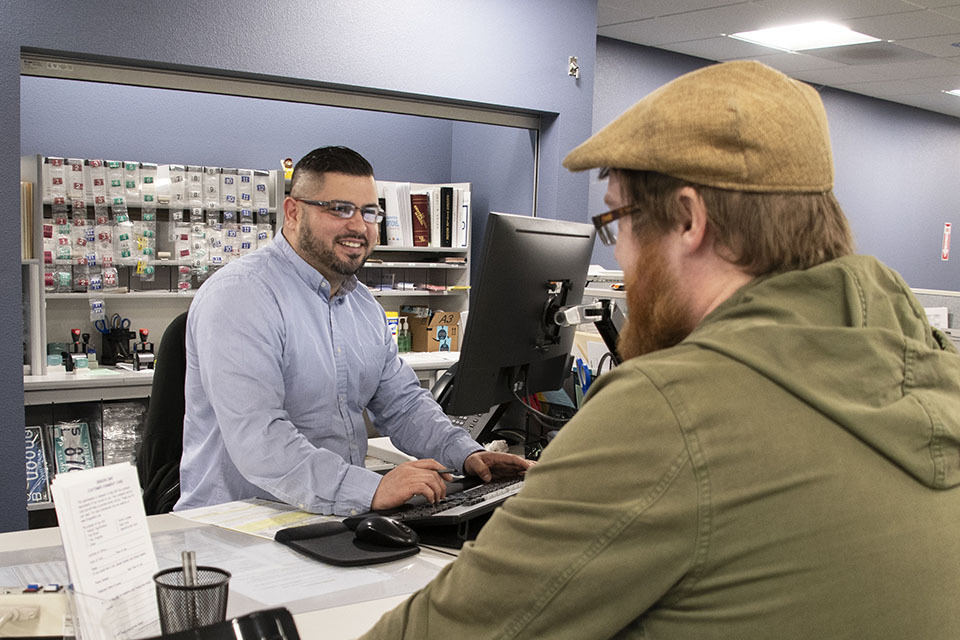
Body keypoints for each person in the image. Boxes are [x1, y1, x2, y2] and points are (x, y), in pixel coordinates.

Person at [359, 61, 960, 638]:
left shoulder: (674, 409)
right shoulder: (934, 370)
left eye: (620, 223)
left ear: (688, 219)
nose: (618, 257)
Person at [175, 146, 531, 516]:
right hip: (237, 527)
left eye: (370, 212)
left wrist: (468, 454)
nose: (359, 226)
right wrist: (370, 488)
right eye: (340, 209)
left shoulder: (362, 306)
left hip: (331, 515)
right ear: (294, 212)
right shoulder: (241, 295)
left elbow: (404, 405)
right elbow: (260, 440)